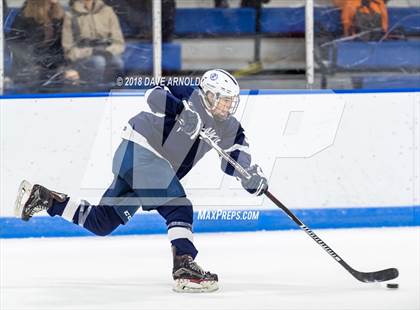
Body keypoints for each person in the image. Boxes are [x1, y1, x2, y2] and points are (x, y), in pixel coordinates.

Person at [14, 69, 269, 293]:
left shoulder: (229, 127)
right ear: (210, 95)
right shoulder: (188, 93)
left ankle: (46, 199)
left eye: (230, 102)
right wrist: (181, 111)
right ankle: (184, 268)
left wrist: (250, 177)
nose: (228, 106)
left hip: (147, 167)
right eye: (224, 100)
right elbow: (153, 95)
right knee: (179, 206)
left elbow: (235, 159)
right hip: (140, 149)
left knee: (101, 223)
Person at [62, 0, 125, 84]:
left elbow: (119, 42)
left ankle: (115, 92)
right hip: (83, 58)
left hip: (107, 53)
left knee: (118, 63)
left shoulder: (107, 11)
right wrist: (90, 51)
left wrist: (108, 51)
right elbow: (68, 49)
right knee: (98, 61)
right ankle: (93, 91)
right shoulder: (71, 14)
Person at [7, 0, 65, 85]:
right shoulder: (25, 17)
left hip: (53, 68)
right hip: (30, 70)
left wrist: (65, 67)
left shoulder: (58, 15)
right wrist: (34, 65)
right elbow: (17, 46)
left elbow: (60, 46)